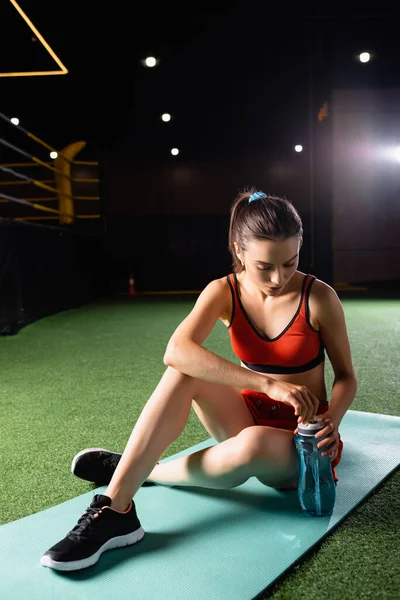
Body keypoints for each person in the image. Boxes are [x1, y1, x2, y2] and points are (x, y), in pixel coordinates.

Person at [41, 189, 358, 571]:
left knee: (254, 442)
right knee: (182, 372)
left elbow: (346, 377)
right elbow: (176, 350)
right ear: (239, 252)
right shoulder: (223, 290)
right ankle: (117, 509)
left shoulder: (319, 297)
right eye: (264, 266)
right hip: (246, 415)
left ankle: (141, 468)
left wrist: (332, 419)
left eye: (290, 263)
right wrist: (268, 384)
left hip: (305, 440)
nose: (278, 278)